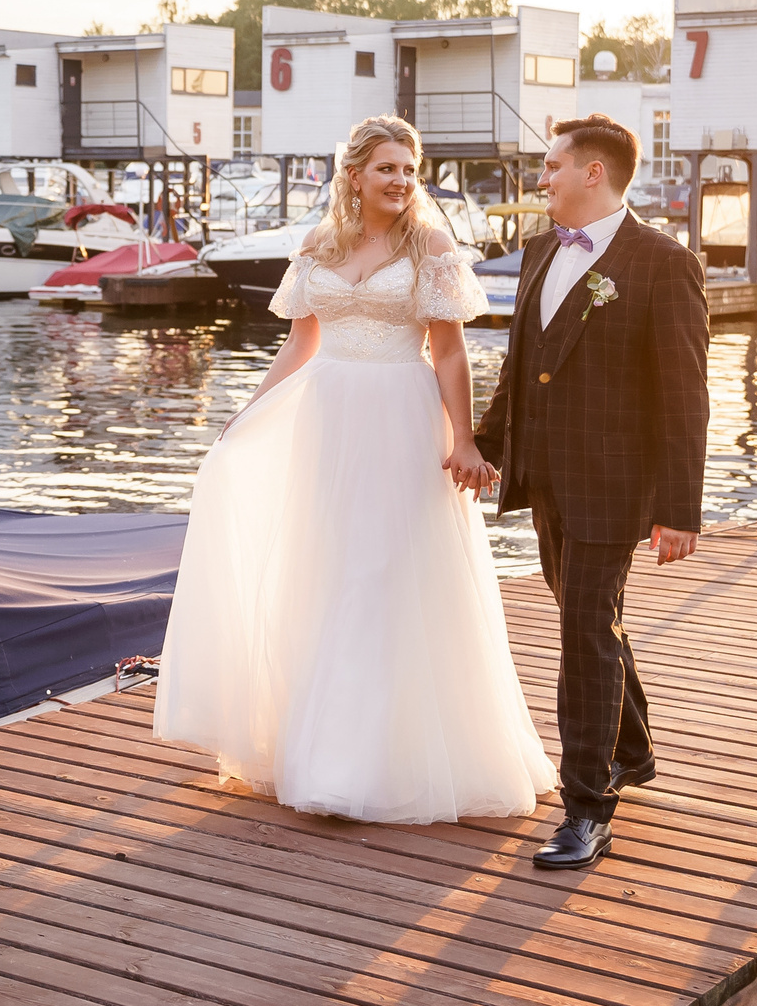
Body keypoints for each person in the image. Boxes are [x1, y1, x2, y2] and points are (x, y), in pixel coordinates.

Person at [154, 115, 552, 823]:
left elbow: (451, 351)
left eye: (410, 169)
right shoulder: (319, 243)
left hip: (401, 412)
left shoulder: (429, 243)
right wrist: (247, 412)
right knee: (329, 573)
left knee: (388, 574)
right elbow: (302, 342)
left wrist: (464, 438)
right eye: (388, 169)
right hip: (329, 418)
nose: (401, 181)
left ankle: (392, 761)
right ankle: (326, 754)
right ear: (355, 175)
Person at [473, 115, 709, 871]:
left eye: (551, 166)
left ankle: (585, 807)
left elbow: (684, 394)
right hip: (544, 475)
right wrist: (485, 444)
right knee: (592, 619)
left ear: (593, 173)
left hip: (614, 484)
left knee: (583, 632)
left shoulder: (661, 262)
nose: (540, 179)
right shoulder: (543, 249)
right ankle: (632, 750)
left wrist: (679, 508)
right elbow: (522, 363)